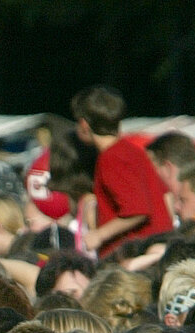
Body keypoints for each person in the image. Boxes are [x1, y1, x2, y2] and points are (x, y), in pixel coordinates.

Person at [70, 86, 175, 254]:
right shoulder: (133, 151)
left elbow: (137, 210)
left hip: (132, 254)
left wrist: (99, 235)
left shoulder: (111, 158)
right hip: (154, 248)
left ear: (84, 124)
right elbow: (167, 196)